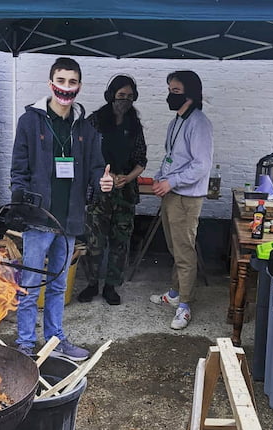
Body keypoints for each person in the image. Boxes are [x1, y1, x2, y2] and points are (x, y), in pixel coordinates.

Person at [11, 57, 113, 361]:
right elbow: (18, 169)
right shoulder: (30, 122)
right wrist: (23, 208)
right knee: (30, 285)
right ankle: (25, 344)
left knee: (57, 285)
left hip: (68, 220)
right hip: (38, 219)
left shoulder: (85, 128)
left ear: (79, 86)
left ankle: (55, 340)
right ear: (50, 83)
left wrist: (103, 182)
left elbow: (96, 168)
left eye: (72, 82)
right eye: (61, 81)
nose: (65, 88)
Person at [150, 70, 213, 330]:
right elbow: (172, 157)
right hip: (172, 194)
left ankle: (185, 305)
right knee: (175, 247)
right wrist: (158, 176)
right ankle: (176, 293)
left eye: (175, 91)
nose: (169, 95)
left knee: (184, 251)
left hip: (186, 198)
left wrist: (171, 181)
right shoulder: (176, 121)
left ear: (190, 93)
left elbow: (201, 165)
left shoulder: (199, 123)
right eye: (169, 89)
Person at [78, 74, 147, 306]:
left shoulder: (134, 125)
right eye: (120, 96)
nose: (125, 101)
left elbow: (141, 160)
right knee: (94, 240)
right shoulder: (94, 122)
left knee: (120, 241)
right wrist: (102, 176)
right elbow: (83, 155)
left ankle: (111, 286)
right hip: (98, 191)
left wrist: (127, 178)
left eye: (129, 97)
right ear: (110, 96)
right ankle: (91, 284)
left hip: (125, 191)